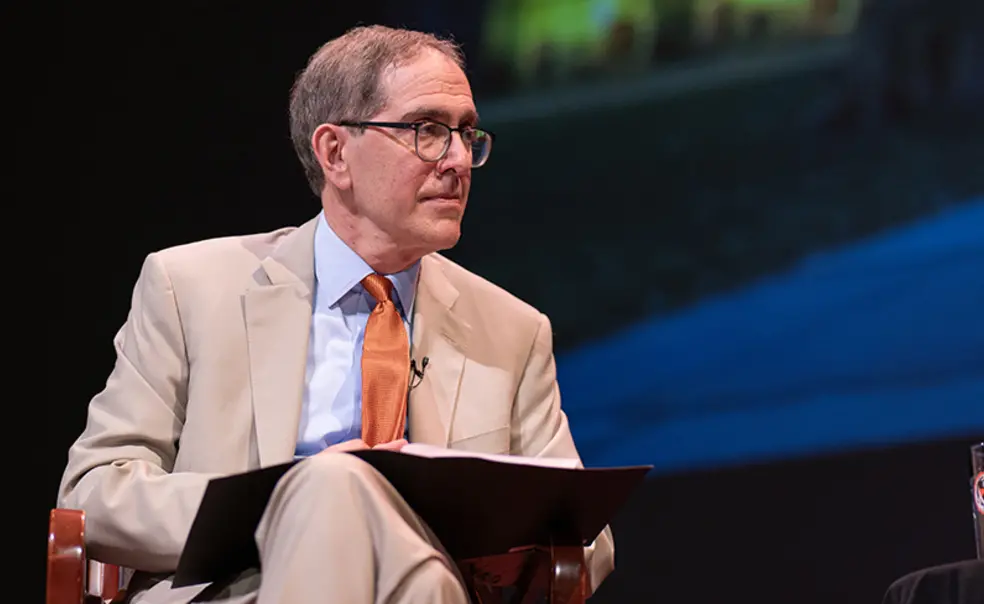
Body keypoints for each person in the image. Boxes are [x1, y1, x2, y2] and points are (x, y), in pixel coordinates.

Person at [57, 24, 614, 604]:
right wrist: (288, 499)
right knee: (334, 483)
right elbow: (94, 495)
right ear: (335, 153)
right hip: (230, 591)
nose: (457, 160)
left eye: (466, 133)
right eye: (427, 130)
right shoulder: (191, 288)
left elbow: (584, 539)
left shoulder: (513, 330)